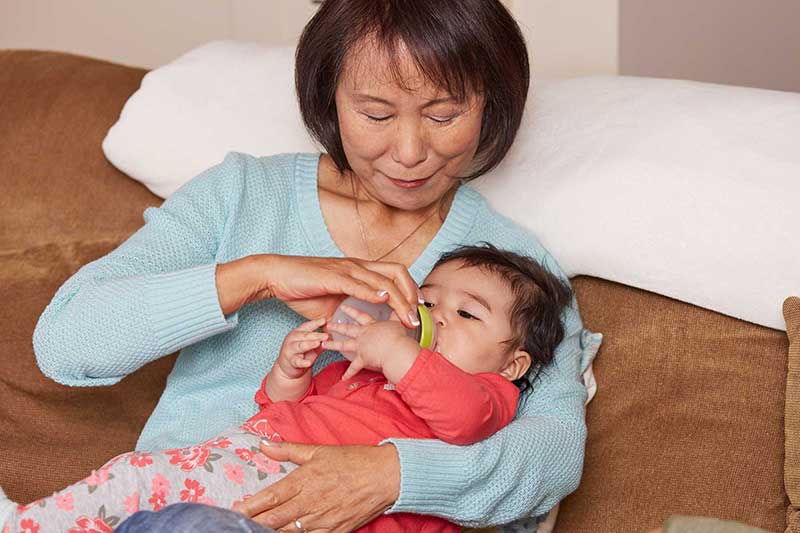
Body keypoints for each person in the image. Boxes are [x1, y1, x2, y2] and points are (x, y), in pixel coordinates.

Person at [28, 0, 592, 531]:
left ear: (490, 103)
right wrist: (256, 277)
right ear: (330, 99)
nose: (410, 150)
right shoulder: (241, 195)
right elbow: (67, 342)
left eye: (444, 115)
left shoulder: (516, 272)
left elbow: (555, 450)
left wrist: (394, 476)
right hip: (179, 501)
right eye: (376, 113)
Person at [2, 245, 574, 533]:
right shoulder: (368, 375)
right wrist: (290, 374)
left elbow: (464, 418)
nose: (436, 318)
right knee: (132, 483)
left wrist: (396, 350)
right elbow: (283, 412)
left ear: (514, 363)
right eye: (426, 302)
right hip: (238, 466)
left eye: (467, 315)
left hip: (291, 506)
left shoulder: (491, 396)